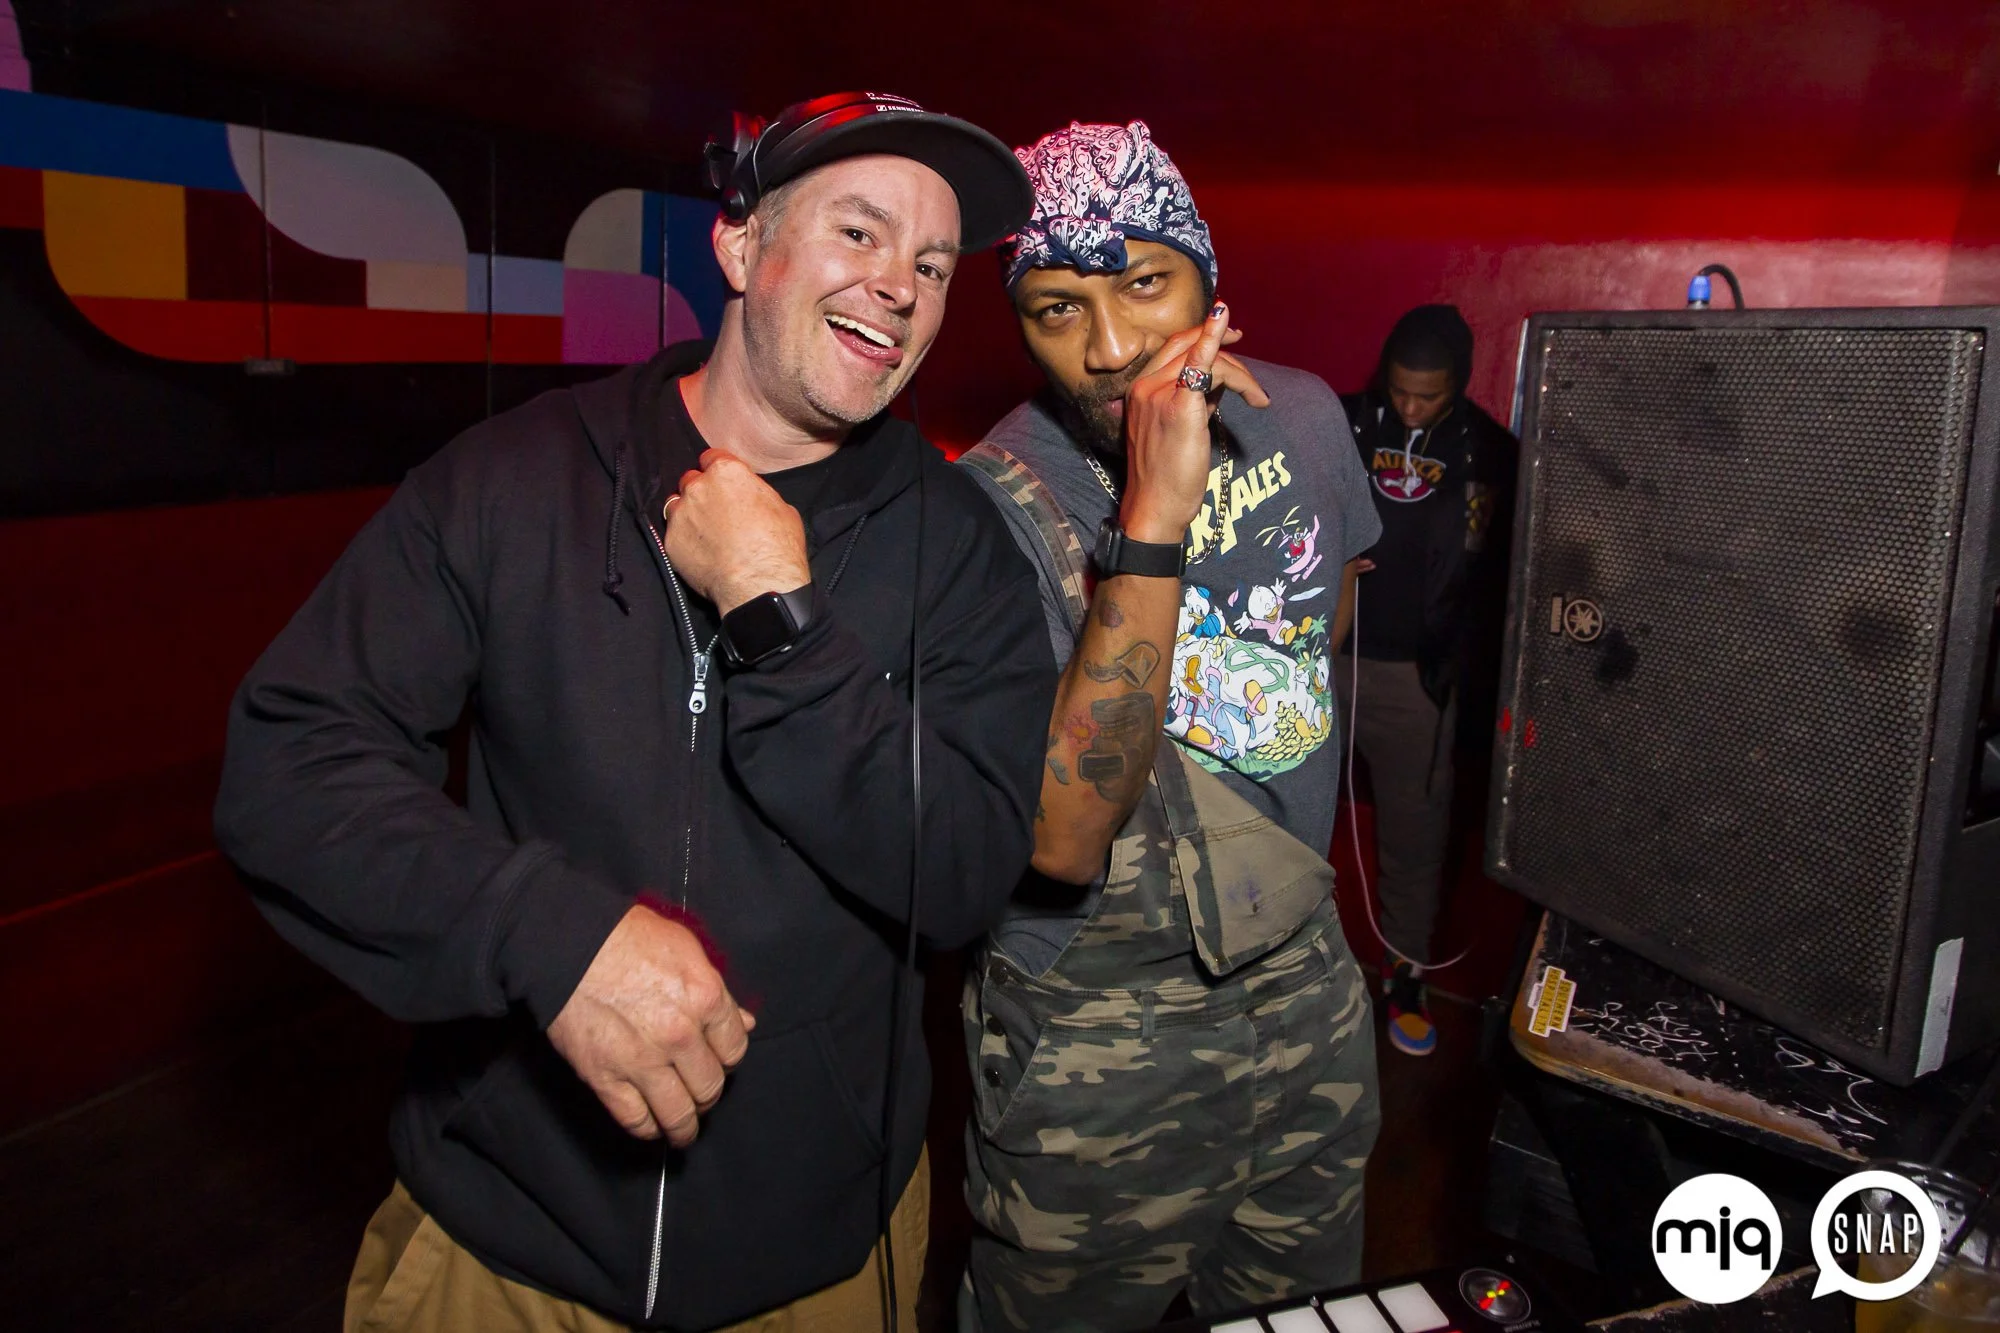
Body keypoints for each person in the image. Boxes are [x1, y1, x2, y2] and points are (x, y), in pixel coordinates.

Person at [213, 91, 1053, 1333]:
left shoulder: (964, 552)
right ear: (740, 245)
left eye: (932, 265)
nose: (899, 286)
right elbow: (290, 761)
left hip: (812, 1260)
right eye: (859, 232)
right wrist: (546, 933)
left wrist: (779, 621)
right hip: (503, 1243)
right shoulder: (515, 477)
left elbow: (967, 870)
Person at [955, 120, 1383, 1332]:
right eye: (1055, 308)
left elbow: (1326, 617)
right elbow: (1059, 838)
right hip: (1094, 1026)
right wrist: (1152, 516)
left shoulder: (1305, 416)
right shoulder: (987, 505)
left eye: (1144, 284)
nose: (1108, 348)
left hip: (1301, 969)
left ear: (1207, 281)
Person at [1337, 304, 1518, 1058]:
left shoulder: (1490, 451)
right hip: (1322, 659)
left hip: (1419, 681)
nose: (1410, 408)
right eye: (1400, 391)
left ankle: (1404, 982)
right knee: (1284, 822)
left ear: (1459, 384)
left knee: (1415, 846)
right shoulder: (1344, 423)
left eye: (1428, 395)